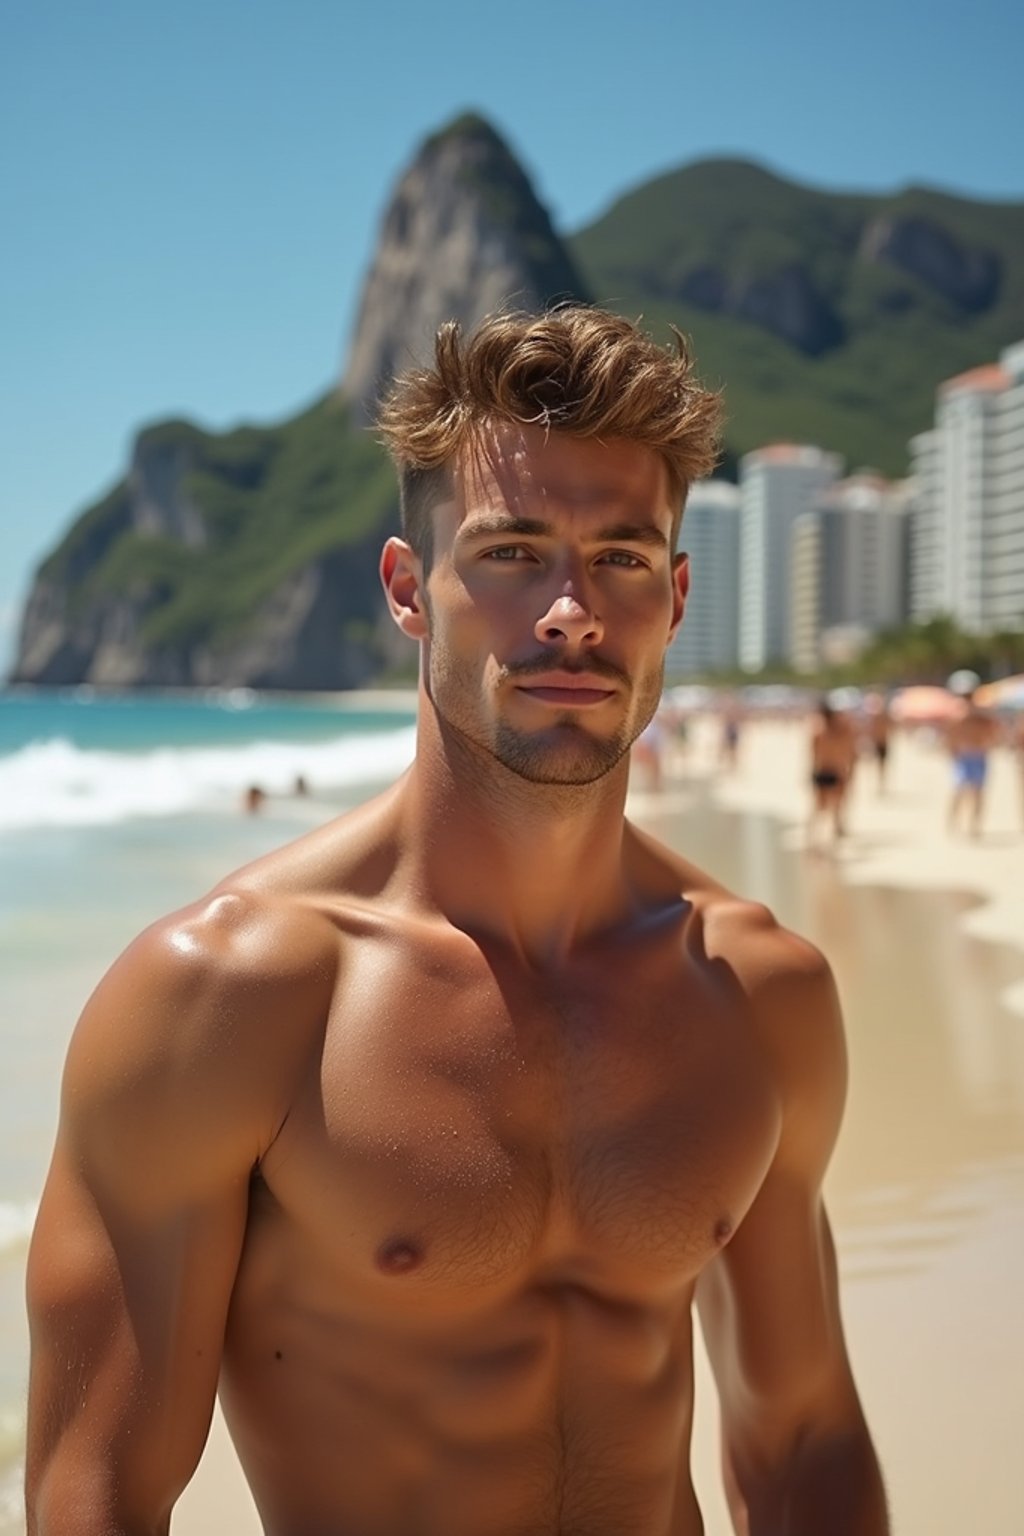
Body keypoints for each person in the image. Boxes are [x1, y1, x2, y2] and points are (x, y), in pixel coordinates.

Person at [26, 308, 888, 1536]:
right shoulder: (228, 996)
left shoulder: (759, 993)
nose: (570, 613)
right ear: (405, 590)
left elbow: (801, 1436)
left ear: (677, 597)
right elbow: (95, 1492)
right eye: (510, 553)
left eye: (622, 560)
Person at [947, 694, 1000, 837]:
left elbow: (994, 731)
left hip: (978, 755)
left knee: (978, 792)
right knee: (959, 790)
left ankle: (974, 826)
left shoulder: (982, 718)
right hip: (965, 756)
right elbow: (951, 736)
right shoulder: (959, 717)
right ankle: (953, 822)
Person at [808, 699, 858, 848]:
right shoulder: (842, 730)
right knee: (836, 805)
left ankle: (815, 837)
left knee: (819, 807)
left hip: (824, 770)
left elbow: (814, 755)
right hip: (837, 770)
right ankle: (833, 833)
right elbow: (851, 753)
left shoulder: (819, 731)